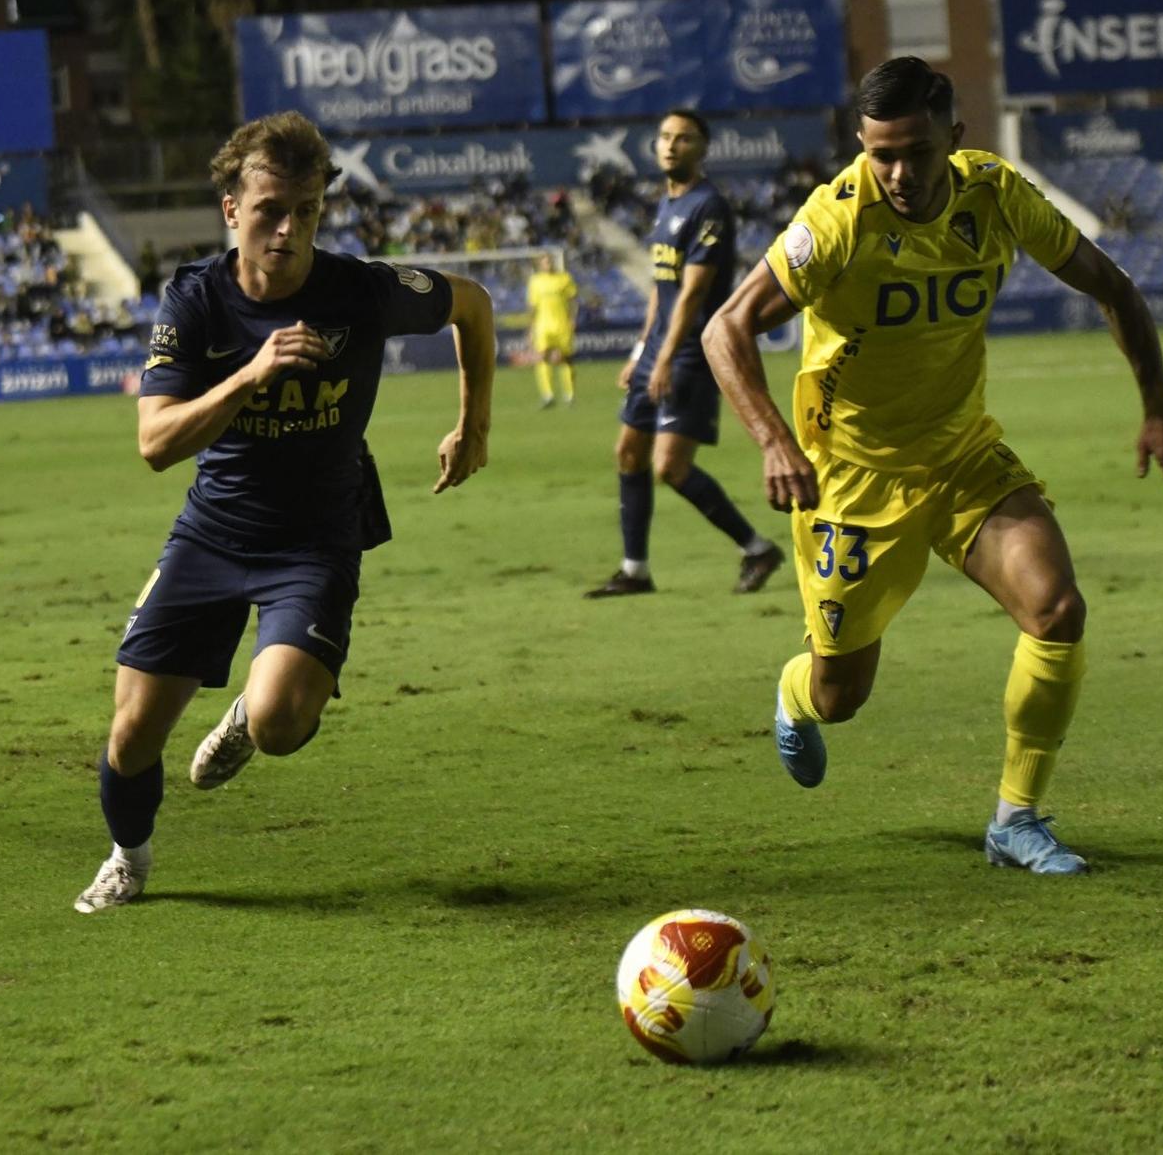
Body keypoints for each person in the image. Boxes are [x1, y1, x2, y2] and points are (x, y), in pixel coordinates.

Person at [701, 56, 1163, 875]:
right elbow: (725, 329)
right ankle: (797, 693)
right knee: (842, 696)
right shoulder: (834, 221)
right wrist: (772, 440)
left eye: (916, 152)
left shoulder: (996, 194)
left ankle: (1017, 817)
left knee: (1057, 608)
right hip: (854, 480)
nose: (898, 173)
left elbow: (1113, 286)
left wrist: (1159, 404)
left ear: (955, 139)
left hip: (964, 454)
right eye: (880, 153)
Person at [74, 110, 495, 914]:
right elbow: (156, 443)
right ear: (231, 208)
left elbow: (472, 306)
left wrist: (472, 426)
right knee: (130, 739)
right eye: (270, 209)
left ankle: (251, 705)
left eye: (306, 211)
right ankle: (129, 855)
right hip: (213, 532)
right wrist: (249, 375)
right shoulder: (195, 300)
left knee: (278, 722)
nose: (289, 229)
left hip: (317, 540)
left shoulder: (361, 291)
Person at [589, 108, 781, 599]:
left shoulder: (707, 207)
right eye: (666, 137)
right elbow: (662, 288)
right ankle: (634, 570)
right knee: (628, 452)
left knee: (670, 466)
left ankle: (756, 548)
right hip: (658, 348)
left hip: (692, 353)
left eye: (685, 138)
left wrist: (669, 356)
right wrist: (640, 351)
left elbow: (694, 293)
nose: (672, 145)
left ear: (702, 148)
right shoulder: (666, 205)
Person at [525, 251, 577, 409]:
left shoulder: (564, 278)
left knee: (565, 358)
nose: (548, 263)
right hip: (543, 325)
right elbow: (532, 307)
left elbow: (573, 301)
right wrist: (531, 328)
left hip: (562, 324)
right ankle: (548, 396)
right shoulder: (535, 281)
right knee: (542, 357)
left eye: (549, 261)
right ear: (540, 264)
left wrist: (573, 319)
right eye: (544, 261)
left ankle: (570, 395)